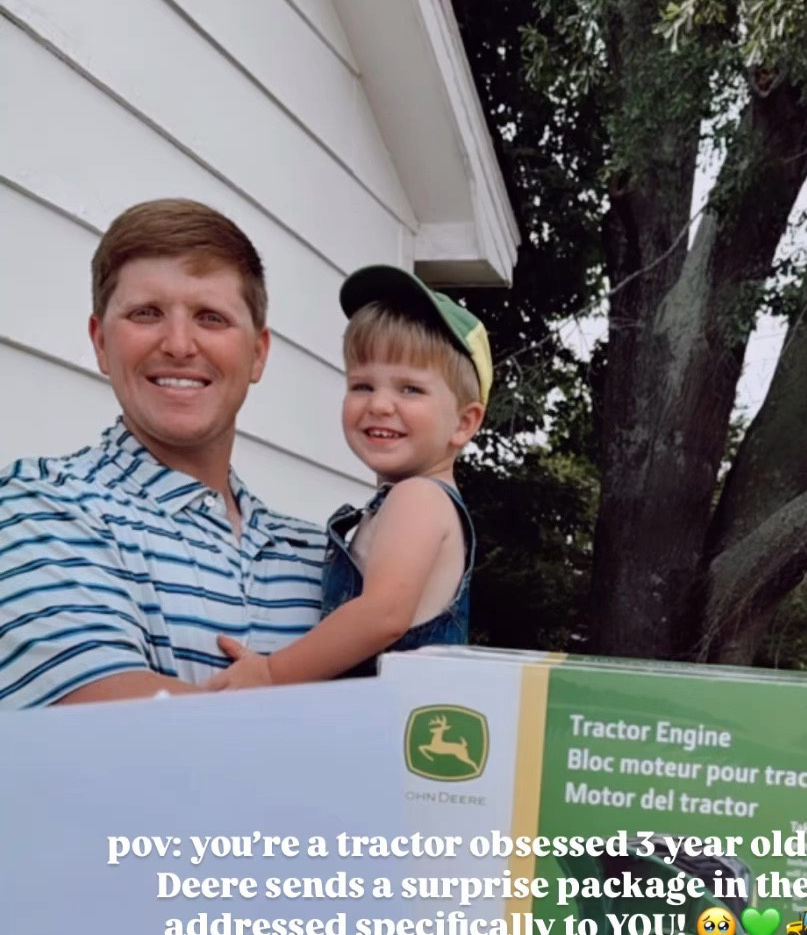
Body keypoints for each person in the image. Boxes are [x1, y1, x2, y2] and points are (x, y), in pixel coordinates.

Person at [0, 199, 326, 706]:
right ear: (101, 342)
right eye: (146, 313)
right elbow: (120, 738)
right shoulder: (37, 509)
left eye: (211, 317)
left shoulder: (318, 558)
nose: (178, 344)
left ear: (258, 353)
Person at [209, 265, 489, 689]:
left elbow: (383, 615)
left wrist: (271, 671)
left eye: (410, 389)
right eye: (362, 386)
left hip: (390, 732)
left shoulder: (419, 499)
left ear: (463, 424)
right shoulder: (404, 502)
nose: (379, 404)